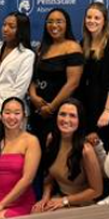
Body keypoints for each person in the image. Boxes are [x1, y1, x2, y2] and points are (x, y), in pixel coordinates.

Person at [32, 99, 103, 212]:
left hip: (82, 203)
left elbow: (97, 190)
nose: (66, 120)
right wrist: (45, 198)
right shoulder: (51, 139)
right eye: (62, 114)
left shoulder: (86, 150)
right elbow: (50, 177)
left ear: (80, 120)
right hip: (59, 197)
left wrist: (65, 201)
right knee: (36, 211)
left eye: (72, 116)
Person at [0, 12, 35, 154]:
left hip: (13, 114)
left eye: (11, 26)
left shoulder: (27, 55)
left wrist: (0, 115)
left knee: (10, 157)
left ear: (21, 30)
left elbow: (20, 89)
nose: (5, 29)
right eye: (4, 25)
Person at [28, 8, 84, 146]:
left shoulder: (73, 47)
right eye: (50, 22)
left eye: (59, 21)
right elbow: (32, 77)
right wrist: (33, 96)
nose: (54, 25)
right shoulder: (41, 48)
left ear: (67, 24)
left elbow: (73, 83)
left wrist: (51, 108)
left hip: (60, 111)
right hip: (37, 111)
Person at [78, 2, 109, 150]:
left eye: (97, 18)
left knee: (106, 148)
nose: (92, 21)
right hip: (89, 106)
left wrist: (107, 111)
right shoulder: (83, 44)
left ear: (104, 21)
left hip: (107, 106)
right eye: (89, 17)